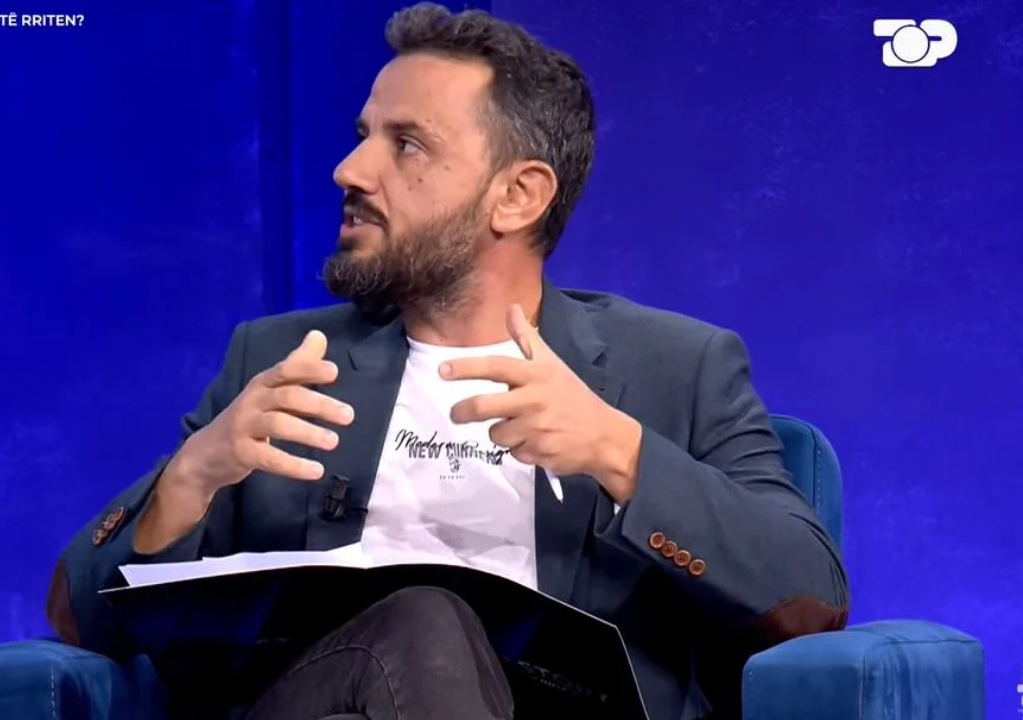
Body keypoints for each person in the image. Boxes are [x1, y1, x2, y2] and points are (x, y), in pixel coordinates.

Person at [45, 4, 850, 719]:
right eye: (363, 136)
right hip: (319, 696)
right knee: (422, 616)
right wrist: (188, 478)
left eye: (407, 145)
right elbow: (79, 619)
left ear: (518, 196)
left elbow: (809, 598)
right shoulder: (284, 361)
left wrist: (619, 450)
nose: (350, 171)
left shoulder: (676, 367)